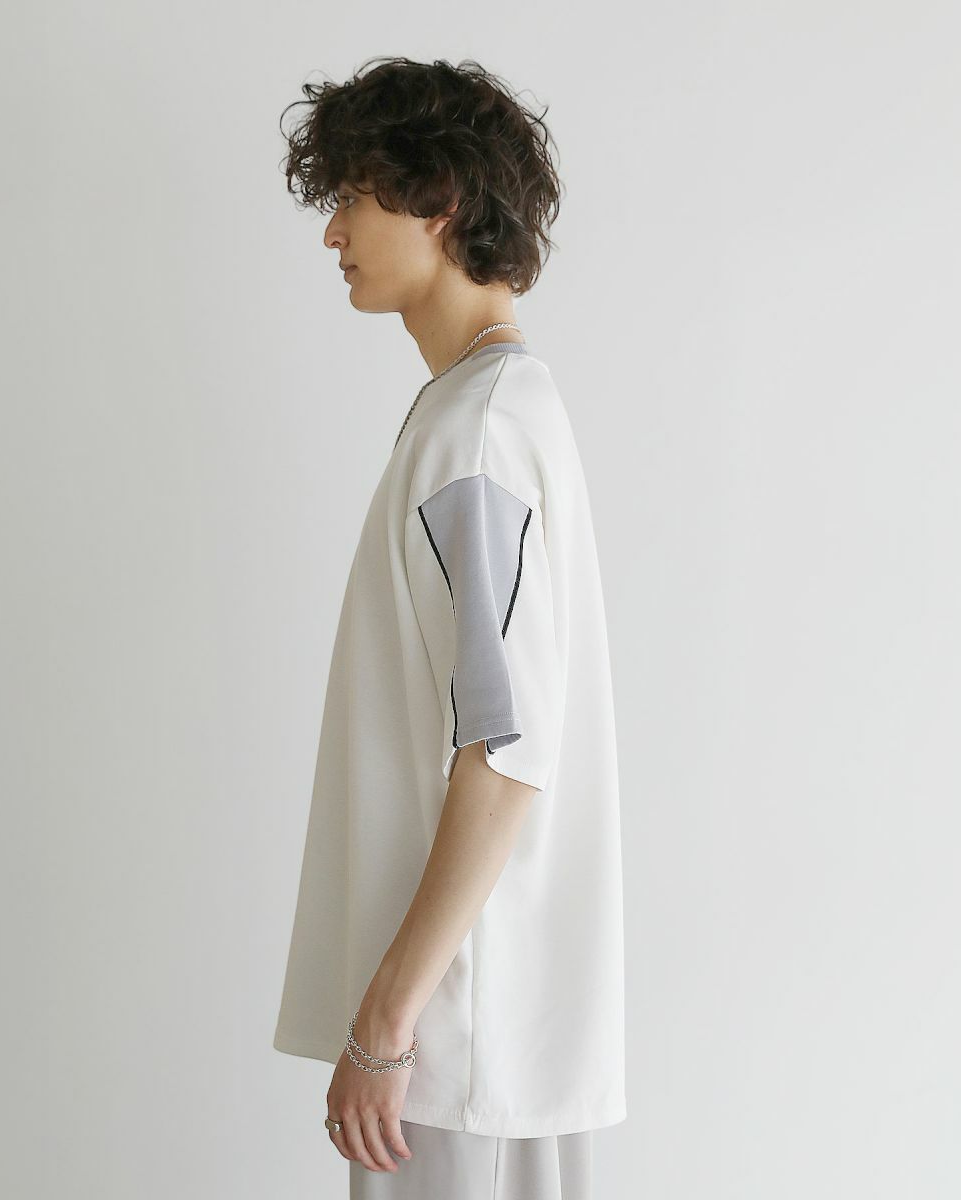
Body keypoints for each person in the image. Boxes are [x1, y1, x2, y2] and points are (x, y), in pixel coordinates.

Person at [272, 56, 626, 1199]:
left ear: (439, 202)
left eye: (352, 196)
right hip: (484, 1021)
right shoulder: (495, 411)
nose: (333, 233)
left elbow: (504, 753)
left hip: (453, 1032)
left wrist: (384, 1025)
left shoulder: (475, 437)